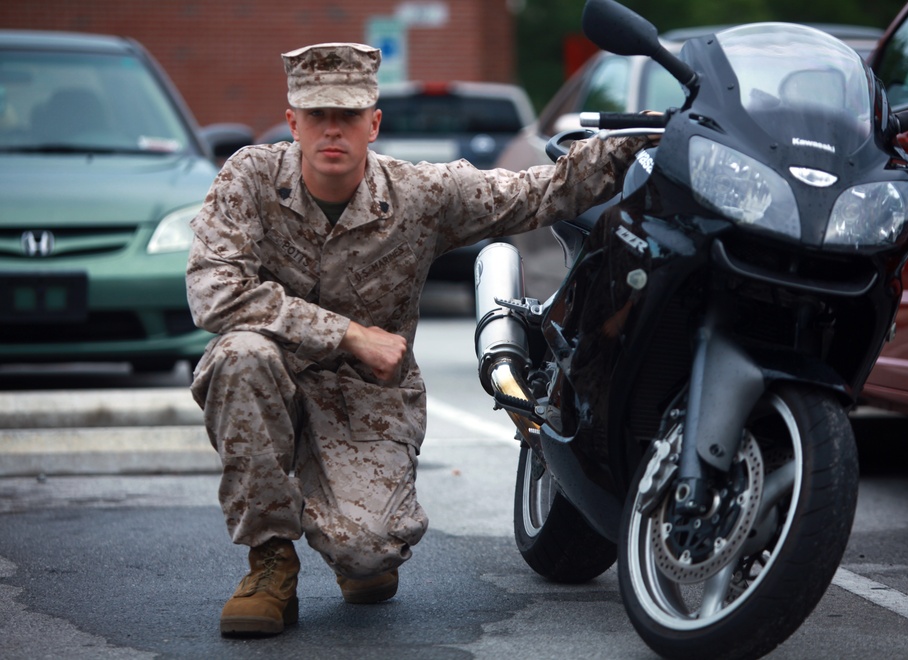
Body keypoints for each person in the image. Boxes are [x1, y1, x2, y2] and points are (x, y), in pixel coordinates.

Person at [186, 42, 651, 638]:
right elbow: (213, 290)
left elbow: (538, 190)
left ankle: (343, 531)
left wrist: (646, 142)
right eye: (318, 115)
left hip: (366, 402)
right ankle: (270, 561)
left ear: (373, 123)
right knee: (239, 355)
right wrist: (350, 334)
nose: (333, 130)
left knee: (368, 559)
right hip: (274, 377)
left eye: (349, 116)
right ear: (293, 121)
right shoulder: (249, 179)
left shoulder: (420, 195)